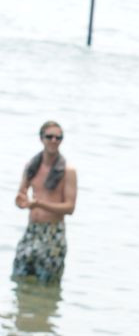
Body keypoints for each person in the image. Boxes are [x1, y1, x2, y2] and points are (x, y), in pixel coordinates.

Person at [12, 121, 77, 284]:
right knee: (19, 276)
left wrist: (39, 204)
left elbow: (69, 208)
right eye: (50, 137)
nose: (54, 141)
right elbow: (21, 195)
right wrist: (21, 201)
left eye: (58, 137)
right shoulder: (32, 165)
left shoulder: (68, 171)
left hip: (53, 234)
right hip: (31, 230)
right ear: (41, 138)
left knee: (47, 282)